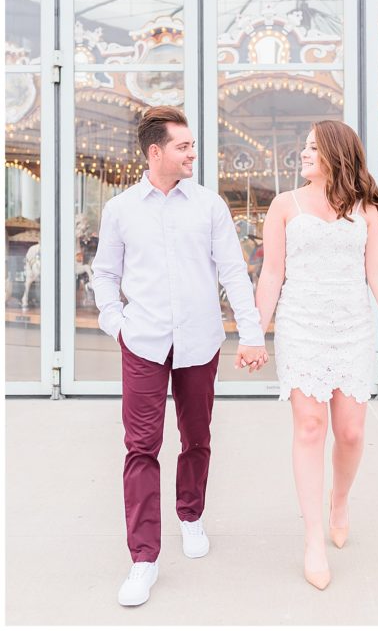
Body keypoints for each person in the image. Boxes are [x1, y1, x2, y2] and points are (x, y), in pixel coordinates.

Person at [92, 106, 270, 607]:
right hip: (143, 342)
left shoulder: (209, 206)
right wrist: (116, 323)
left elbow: (235, 273)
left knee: (196, 437)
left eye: (192, 145)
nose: (193, 153)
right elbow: (104, 273)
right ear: (155, 152)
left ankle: (190, 515)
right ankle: (143, 558)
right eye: (183, 146)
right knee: (141, 447)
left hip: (199, 341)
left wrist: (252, 335)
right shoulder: (121, 209)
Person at [255, 120, 378, 591]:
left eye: (311, 147)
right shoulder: (284, 206)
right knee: (309, 426)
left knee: (350, 430)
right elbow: (271, 275)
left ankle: (339, 500)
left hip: (352, 328)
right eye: (302, 146)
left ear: (334, 154)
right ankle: (313, 540)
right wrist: (254, 334)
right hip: (301, 325)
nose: (303, 153)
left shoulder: (364, 211)